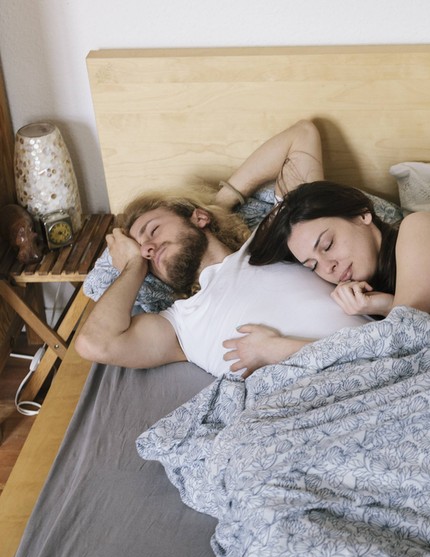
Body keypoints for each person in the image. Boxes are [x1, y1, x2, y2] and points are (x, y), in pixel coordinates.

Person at [75, 120, 369, 378]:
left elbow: (302, 136)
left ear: (199, 218)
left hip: (377, 363)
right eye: (143, 251)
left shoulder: (276, 240)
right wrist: (133, 265)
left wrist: (217, 205)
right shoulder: (180, 326)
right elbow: (95, 342)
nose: (149, 249)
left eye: (153, 231)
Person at [220, 179, 430, 375]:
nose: (328, 267)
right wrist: (379, 303)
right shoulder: (379, 298)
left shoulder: (418, 227)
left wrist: (278, 350)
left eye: (327, 245)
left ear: (362, 214)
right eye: (312, 266)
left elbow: (406, 338)